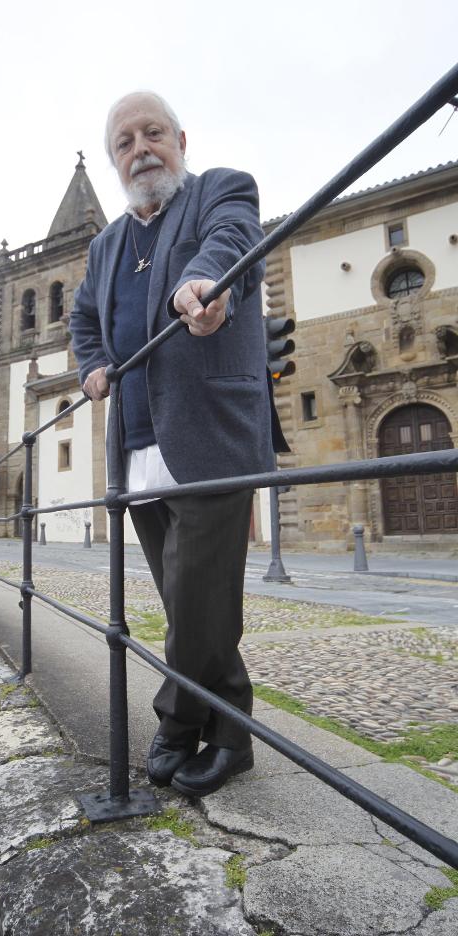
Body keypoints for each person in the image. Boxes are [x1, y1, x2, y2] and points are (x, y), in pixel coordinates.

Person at [70, 92, 287, 798]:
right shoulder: (104, 246)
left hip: (210, 434)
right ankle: (222, 732)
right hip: (135, 442)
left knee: (197, 593)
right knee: (196, 604)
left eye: (153, 133)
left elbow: (232, 243)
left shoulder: (220, 190)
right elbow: (82, 319)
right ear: (114, 160)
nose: (141, 148)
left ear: (180, 139)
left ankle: (178, 721)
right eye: (125, 141)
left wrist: (209, 283)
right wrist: (93, 364)